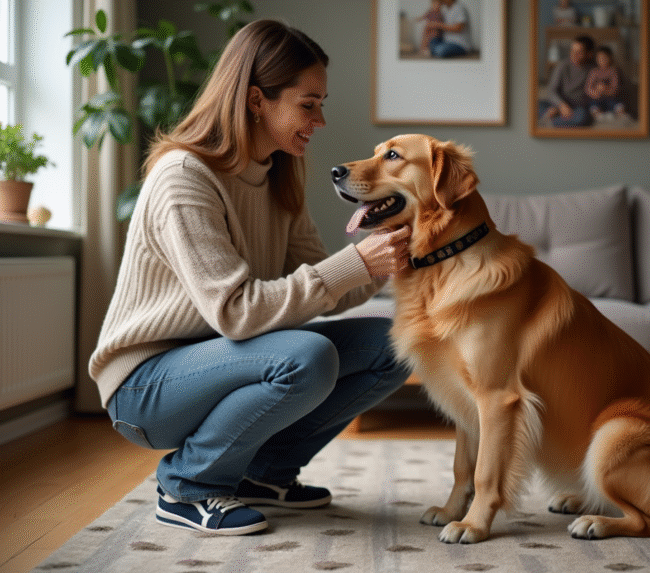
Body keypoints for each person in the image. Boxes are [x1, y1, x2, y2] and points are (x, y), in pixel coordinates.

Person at [89, 20, 413, 536]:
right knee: (306, 357)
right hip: (146, 385)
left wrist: (389, 250)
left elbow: (324, 294)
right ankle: (186, 485)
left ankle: (266, 475)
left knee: (396, 344)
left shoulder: (277, 175)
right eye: (308, 105)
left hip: (226, 359)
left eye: (320, 103)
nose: (321, 119)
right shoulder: (183, 177)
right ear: (257, 99)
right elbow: (238, 313)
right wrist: (358, 262)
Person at [541, 35, 596, 127]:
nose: (573, 55)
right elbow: (551, 91)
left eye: (579, 52)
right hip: (559, 103)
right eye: (572, 51)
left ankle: (551, 121)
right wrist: (561, 105)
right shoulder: (562, 66)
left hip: (577, 108)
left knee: (582, 118)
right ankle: (554, 115)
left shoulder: (594, 70)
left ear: (589, 54)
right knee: (534, 106)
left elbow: (590, 97)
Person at [586, 45, 625, 120]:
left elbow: (615, 88)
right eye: (599, 58)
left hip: (611, 97)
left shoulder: (613, 71)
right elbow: (588, 88)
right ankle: (599, 115)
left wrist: (606, 90)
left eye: (604, 58)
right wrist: (595, 93)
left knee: (619, 105)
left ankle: (618, 115)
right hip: (597, 98)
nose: (602, 60)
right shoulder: (594, 72)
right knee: (593, 106)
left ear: (610, 58)